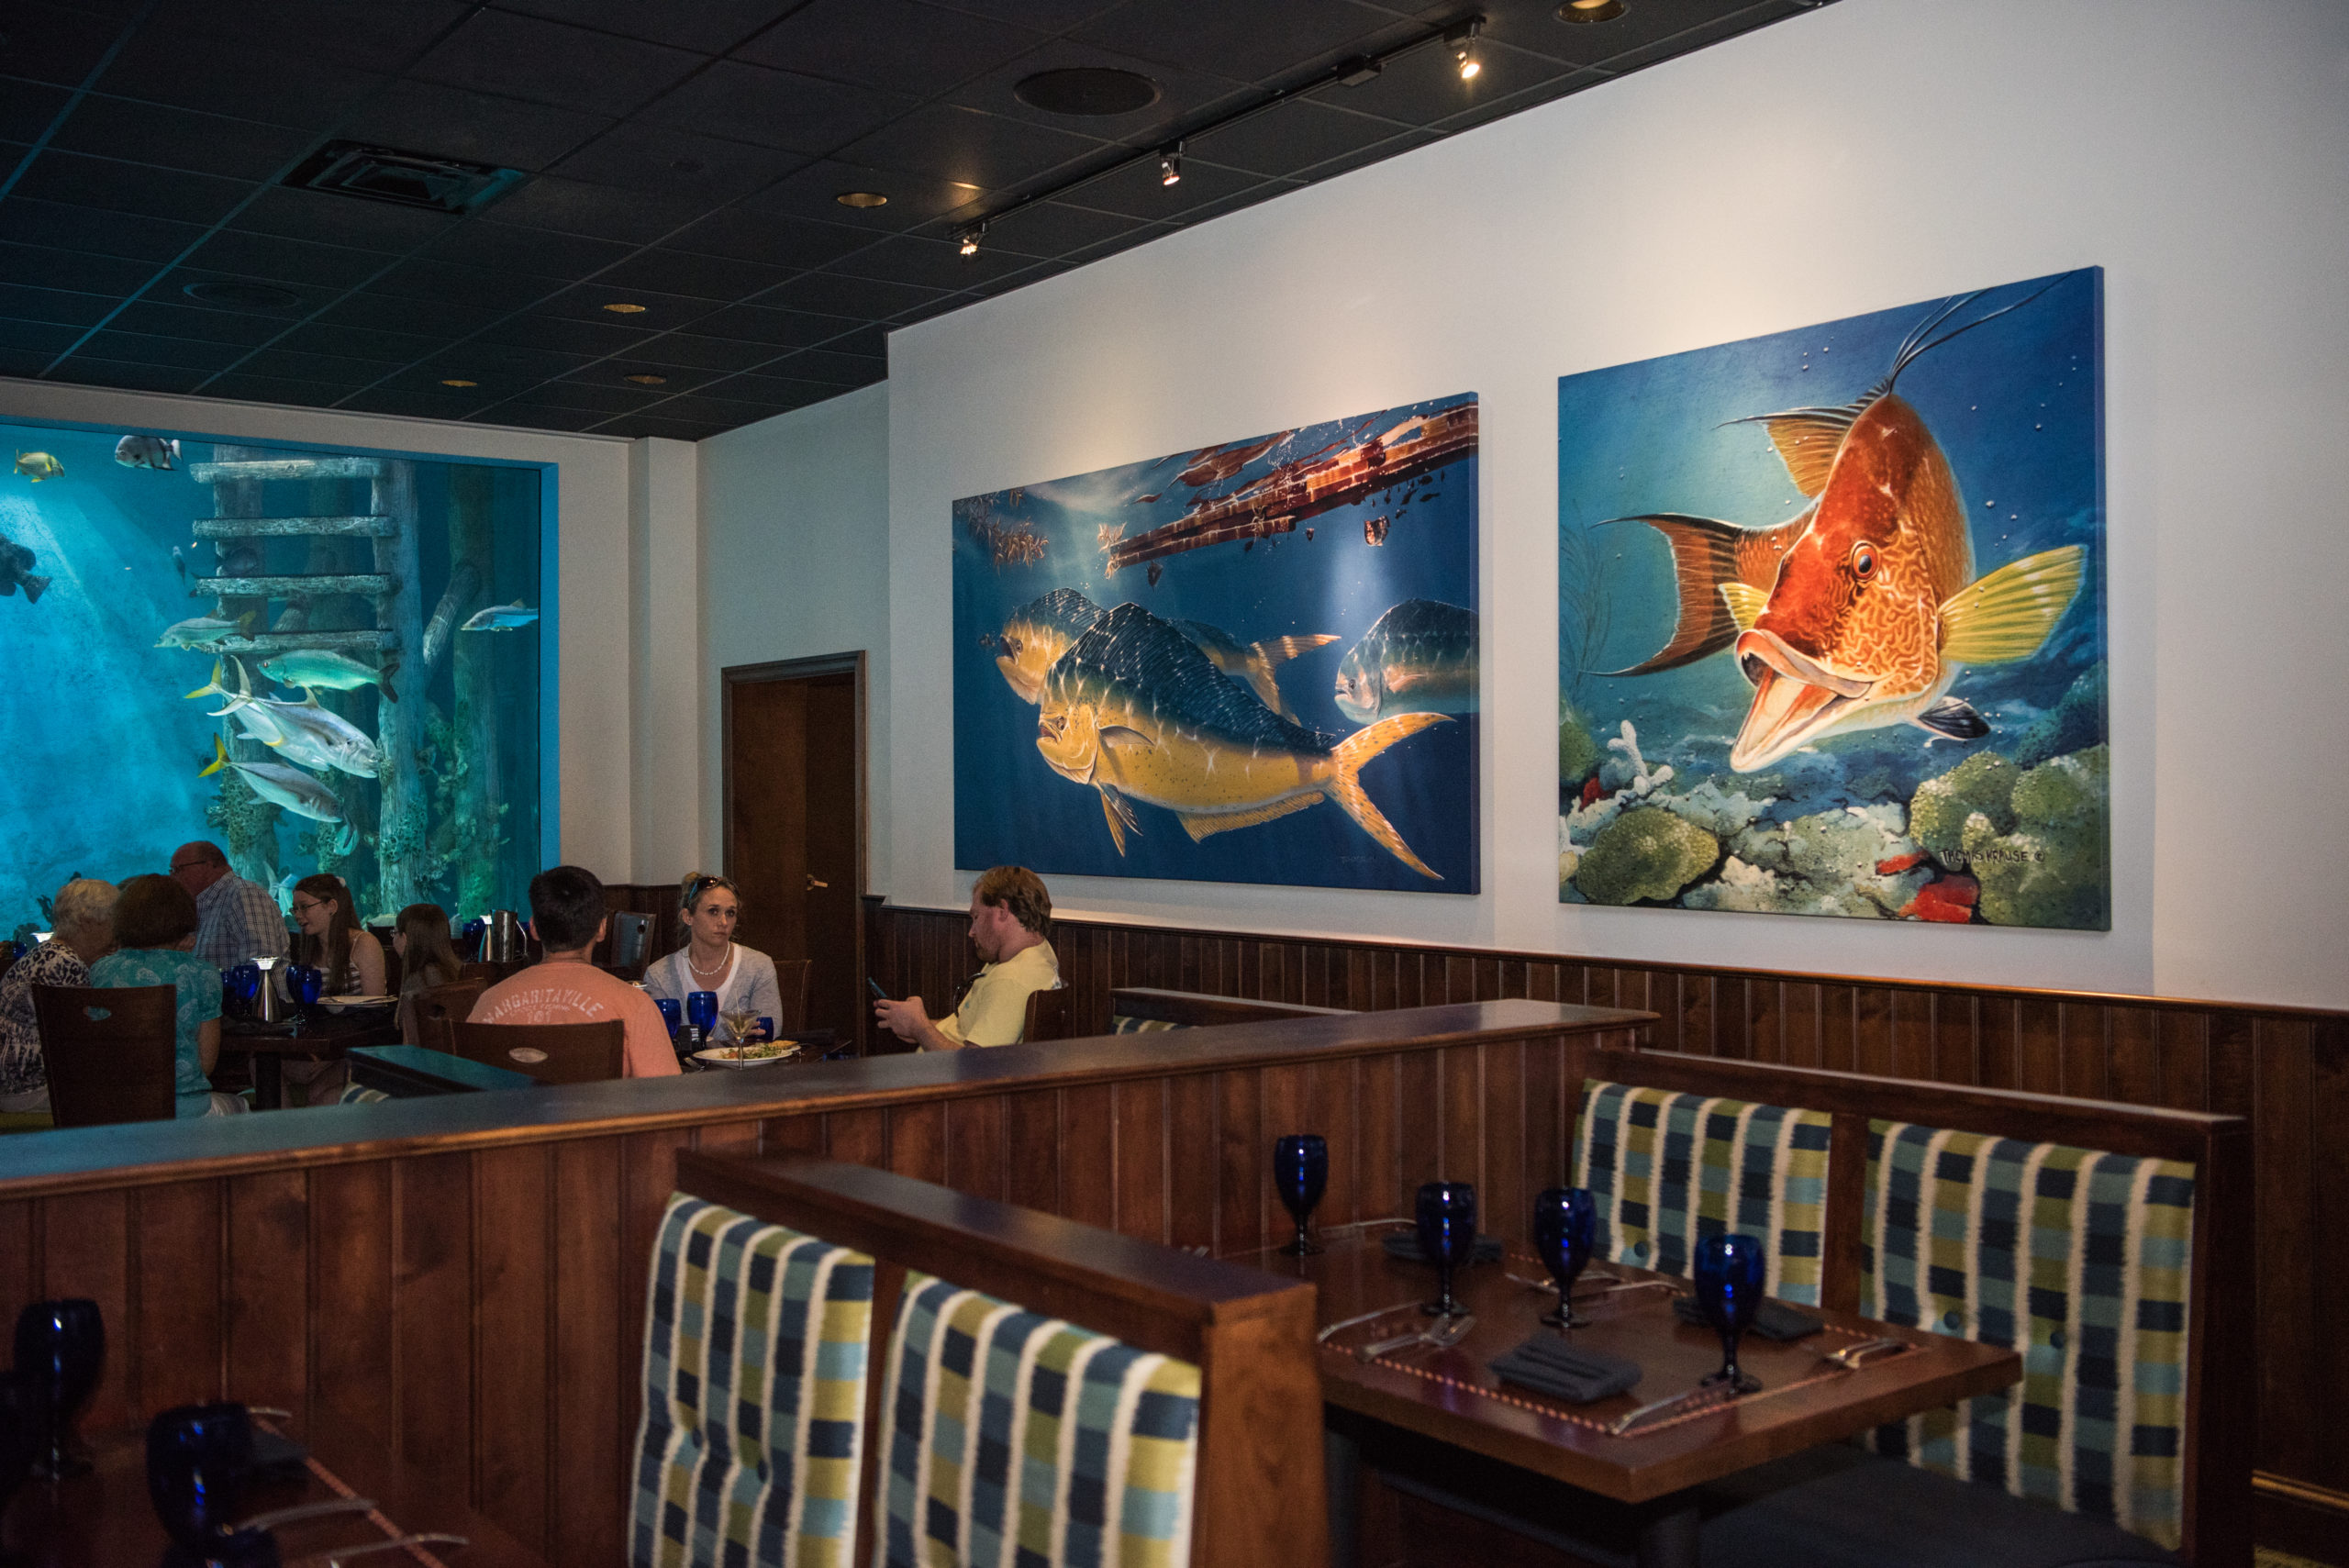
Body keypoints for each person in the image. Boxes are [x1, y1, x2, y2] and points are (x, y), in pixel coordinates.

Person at [468, 865, 678, 1077]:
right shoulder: (634, 1006)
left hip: (510, 1111)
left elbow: (467, 1093)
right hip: (601, 1111)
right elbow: (664, 1097)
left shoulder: (488, 1003)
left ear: (534, 929)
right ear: (602, 929)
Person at [88, 873, 244, 1118]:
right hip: (182, 1109)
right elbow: (206, 1064)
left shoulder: (101, 970)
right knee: (241, 1107)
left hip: (116, 1109)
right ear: (183, 917)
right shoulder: (202, 974)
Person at [874, 866, 1059, 1051]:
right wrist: (915, 1025)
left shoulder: (1011, 979)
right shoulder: (1039, 954)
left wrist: (921, 1028)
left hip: (941, 1078)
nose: (971, 932)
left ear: (1002, 910)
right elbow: (968, 1029)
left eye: (976, 917)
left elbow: (975, 1067)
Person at [0, 878, 117, 1115]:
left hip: (15, 1086)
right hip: (31, 1090)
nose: (118, 933)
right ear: (88, 922)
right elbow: (80, 1047)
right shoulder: (64, 965)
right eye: (113, 923)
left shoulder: (47, 953)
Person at [641, 873, 784, 1033]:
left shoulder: (758, 966)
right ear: (688, 917)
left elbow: (769, 1033)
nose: (723, 922)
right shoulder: (659, 975)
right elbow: (654, 1038)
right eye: (713, 911)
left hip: (741, 1058)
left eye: (730, 913)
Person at [169, 841, 288, 971]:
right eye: (172, 870)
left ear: (209, 865)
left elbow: (262, 962)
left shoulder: (244, 894)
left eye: (179, 869)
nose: (173, 876)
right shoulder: (203, 902)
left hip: (243, 991)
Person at [289, 873, 385, 996]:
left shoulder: (364, 943)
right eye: (295, 909)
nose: (297, 915)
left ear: (331, 906)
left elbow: (375, 1007)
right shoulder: (308, 948)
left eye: (304, 907)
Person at [392, 903, 464, 1047]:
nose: (393, 939)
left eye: (394, 933)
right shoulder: (461, 971)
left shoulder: (417, 982)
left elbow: (410, 1045)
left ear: (405, 939)